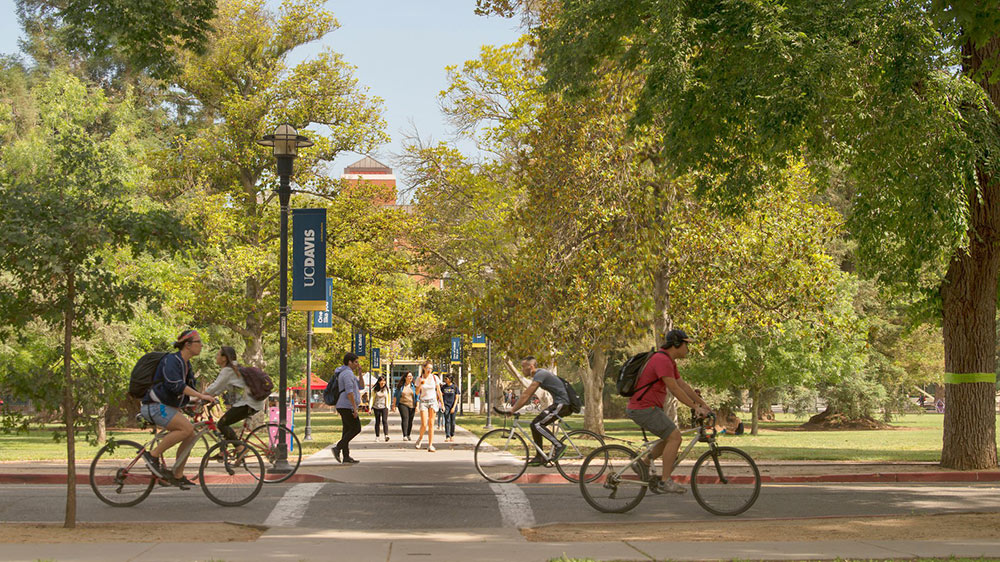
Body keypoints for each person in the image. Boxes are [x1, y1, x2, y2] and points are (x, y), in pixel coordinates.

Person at [628, 329, 711, 494]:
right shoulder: (661, 360)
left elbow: (683, 386)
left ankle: (642, 464)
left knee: (668, 438)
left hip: (648, 408)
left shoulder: (668, 361)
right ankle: (664, 482)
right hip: (644, 408)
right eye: (686, 344)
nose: (688, 348)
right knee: (675, 437)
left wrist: (704, 405)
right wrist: (695, 407)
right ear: (677, 344)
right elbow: (674, 389)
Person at [140, 329, 215, 488]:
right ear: (187, 345)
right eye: (198, 342)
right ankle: (152, 455)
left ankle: (177, 474)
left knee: (190, 434)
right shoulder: (172, 360)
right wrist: (201, 396)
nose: (201, 345)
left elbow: (186, 391)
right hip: (154, 407)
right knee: (186, 428)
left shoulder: (186, 365)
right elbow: (176, 385)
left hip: (165, 407)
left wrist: (196, 401)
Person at [507, 357, 571, 466]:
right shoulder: (539, 375)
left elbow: (527, 395)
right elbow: (528, 395)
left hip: (563, 403)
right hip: (560, 403)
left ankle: (559, 445)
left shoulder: (540, 375)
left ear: (531, 367)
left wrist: (513, 409)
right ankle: (539, 456)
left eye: (523, 367)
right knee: (534, 424)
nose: (522, 370)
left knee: (537, 424)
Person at [205, 346, 266, 444]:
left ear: (224, 358)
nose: (216, 357)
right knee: (224, 424)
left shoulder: (228, 370)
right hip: (252, 403)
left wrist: (199, 397)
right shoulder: (235, 368)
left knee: (222, 424)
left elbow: (214, 387)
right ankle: (224, 453)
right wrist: (209, 396)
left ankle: (240, 448)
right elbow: (220, 388)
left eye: (218, 355)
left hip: (248, 404)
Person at [332, 353, 363, 464]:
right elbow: (349, 392)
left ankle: (346, 456)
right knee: (356, 428)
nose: (357, 364)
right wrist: (354, 408)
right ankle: (337, 448)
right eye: (355, 362)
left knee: (347, 431)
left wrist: (360, 373)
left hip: (344, 405)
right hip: (346, 405)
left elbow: (361, 386)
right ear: (349, 362)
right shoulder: (347, 374)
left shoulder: (349, 373)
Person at [414, 360, 444, 452]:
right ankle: (420, 438)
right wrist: (420, 385)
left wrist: (442, 404)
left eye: (431, 368)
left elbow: (438, 391)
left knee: (431, 424)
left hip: (433, 402)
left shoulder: (435, 378)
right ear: (424, 368)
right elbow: (416, 392)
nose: (429, 370)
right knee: (424, 424)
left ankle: (430, 445)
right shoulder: (419, 378)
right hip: (423, 402)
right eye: (427, 368)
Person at [392, 372, 417, 441]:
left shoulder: (414, 386)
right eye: (409, 376)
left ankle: (408, 434)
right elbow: (395, 395)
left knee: (410, 420)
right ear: (405, 378)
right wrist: (393, 405)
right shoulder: (401, 386)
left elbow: (417, 396)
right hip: (402, 404)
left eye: (411, 376)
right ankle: (405, 435)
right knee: (405, 418)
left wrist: (417, 406)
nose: (410, 377)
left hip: (412, 405)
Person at [369, 376, 390, 442]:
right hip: (376, 407)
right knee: (377, 422)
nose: (383, 382)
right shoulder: (374, 389)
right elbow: (372, 399)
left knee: (384, 421)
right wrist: (370, 408)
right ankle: (377, 436)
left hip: (384, 407)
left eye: (384, 381)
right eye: (381, 381)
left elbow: (389, 398)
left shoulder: (387, 389)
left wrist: (388, 407)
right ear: (379, 382)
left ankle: (386, 435)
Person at [440, 374, 459, 442]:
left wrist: (453, 407)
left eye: (446, 378)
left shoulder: (455, 387)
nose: (445, 380)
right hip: (446, 405)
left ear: (450, 379)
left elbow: (457, 398)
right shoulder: (443, 387)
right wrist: (442, 404)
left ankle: (452, 435)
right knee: (447, 421)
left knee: (452, 422)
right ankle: (447, 436)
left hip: (453, 405)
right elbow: (441, 396)